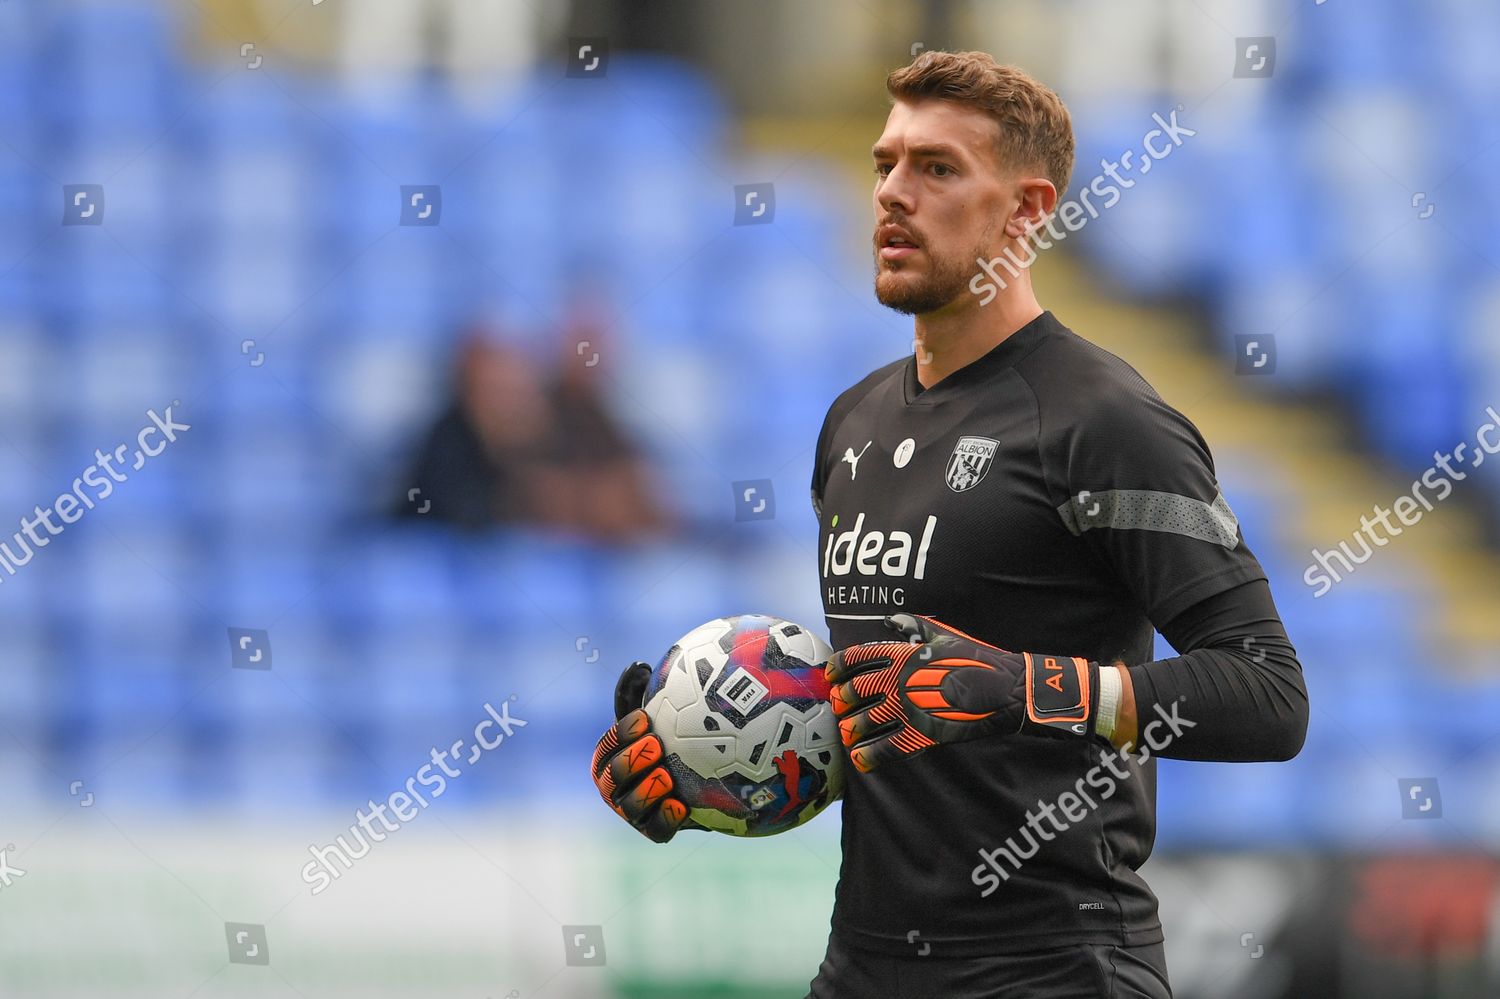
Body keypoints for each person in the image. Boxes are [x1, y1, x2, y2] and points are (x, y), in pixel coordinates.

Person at [591, 50, 1308, 998]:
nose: (892, 193)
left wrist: (1028, 687)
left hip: (1058, 966)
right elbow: (903, 718)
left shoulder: (1104, 422)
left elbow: (1268, 693)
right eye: (885, 163)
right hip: (867, 964)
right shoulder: (853, 422)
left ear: (1027, 209)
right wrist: (711, 767)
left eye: (937, 169)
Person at [397, 325, 668, 540]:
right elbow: (457, 515)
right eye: (493, 390)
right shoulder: (446, 445)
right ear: (468, 391)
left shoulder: (571, 422)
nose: (507, 404)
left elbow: (637, 500)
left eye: (516, 390)